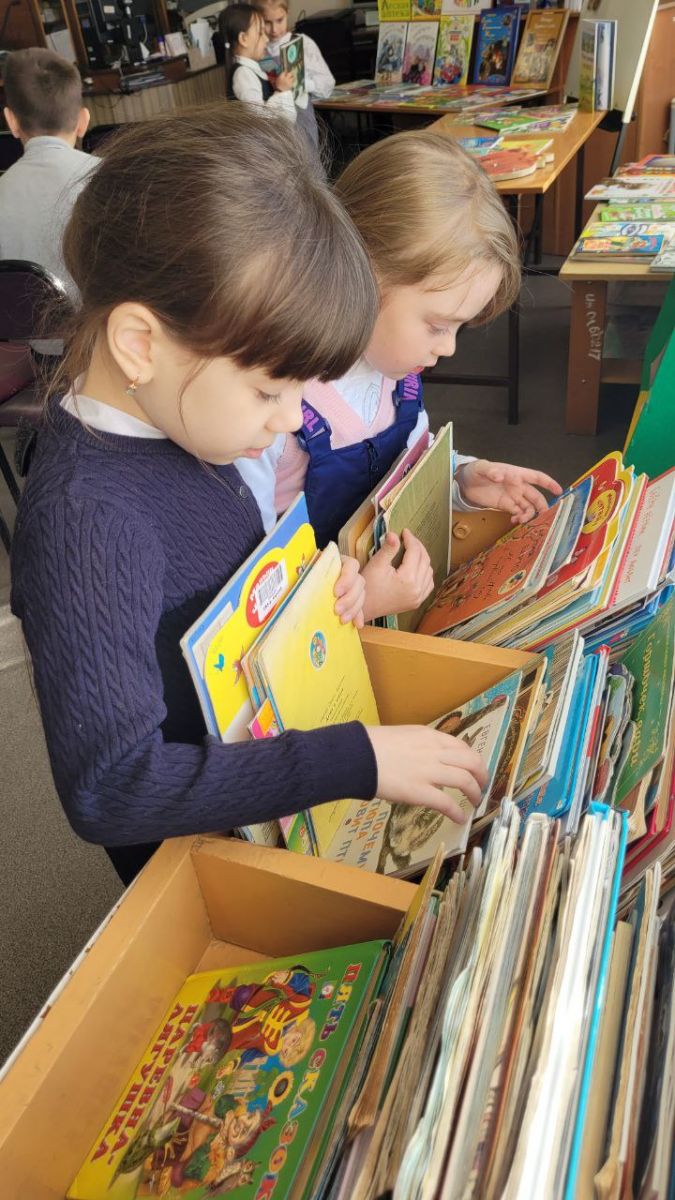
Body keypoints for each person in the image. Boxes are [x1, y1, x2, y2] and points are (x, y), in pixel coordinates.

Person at [10, 107, 488, 886]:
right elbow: (112, 789)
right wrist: (355, 759)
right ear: (140, 345)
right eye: (270, 390)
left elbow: (234, 597)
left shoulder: (194, 425)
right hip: (199, 855)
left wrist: (325, 593)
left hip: (270, 779)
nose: (292, 419)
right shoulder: (86, 522)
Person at [237, 131, 562, 623]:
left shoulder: (398, 374)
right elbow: (250, 602)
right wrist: (362, 603)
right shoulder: (274, 408)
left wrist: (460, 478)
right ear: (362, 274)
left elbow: (407, 468)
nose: (449, 348)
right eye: (437, 325)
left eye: (459, 328)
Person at [0, 48, 97, 298]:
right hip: (103, 321)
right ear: (83, 121)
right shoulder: (112, 178)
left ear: (11, 121)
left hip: (19, 323)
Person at [256, 0, 335, 150]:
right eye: (267, 22)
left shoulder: (303, 43)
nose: (274, 29)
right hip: (272, 129)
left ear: (287, 13)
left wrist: (302, 83)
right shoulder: (257, 49)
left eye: (280, 20)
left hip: (302, 124)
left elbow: (327, 84)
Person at [219, 4, 295, 122]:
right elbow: (260, 119)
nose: (266, 39)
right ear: (243, 39)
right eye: (260, 33)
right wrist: (280, 91)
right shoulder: (243, 74)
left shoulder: (257, 64)